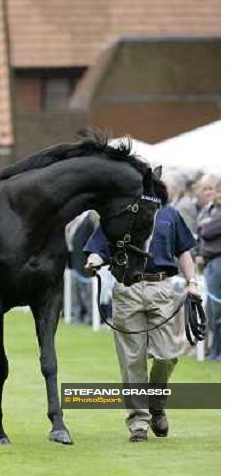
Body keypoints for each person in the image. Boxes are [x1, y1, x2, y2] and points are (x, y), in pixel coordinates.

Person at [84, 203, 200, 442]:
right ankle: (139, 423)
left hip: (162, 288)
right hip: (127, 289)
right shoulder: (118, 212)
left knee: (167, 355)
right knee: (132, 359)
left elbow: (184, 251)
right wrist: (94, 261)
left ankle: (156, 404)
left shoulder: (170, 214)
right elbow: (99, 246)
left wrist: (193, 282)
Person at [196, 177, 221, 360]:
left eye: (213, 189)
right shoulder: (208, 210)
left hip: (219, 261)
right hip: (207, 263)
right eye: (206, 189)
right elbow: (200, 233)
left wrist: (205, 226)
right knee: (211, 309)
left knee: (219, 308)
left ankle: (219, 349)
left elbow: (207, 231)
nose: (211, 193)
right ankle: (214, 348)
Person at [65, 211, 98, 324]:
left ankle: (90, 316)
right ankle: (77, 315)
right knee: (75, 293)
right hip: (73, 260)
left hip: (84, 261)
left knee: (87, 292)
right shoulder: (77, 220)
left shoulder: (90, 219)